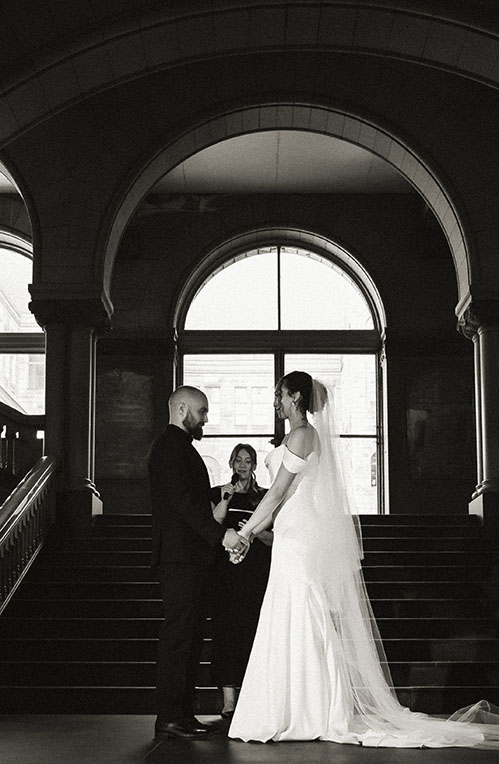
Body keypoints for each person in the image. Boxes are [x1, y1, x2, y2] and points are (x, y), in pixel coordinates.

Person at [228, 371, 499, 748]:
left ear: (294, 397)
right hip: (290, 532)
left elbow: (274, 495)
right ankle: (296, 706)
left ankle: (307, 709)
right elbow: (278, 503)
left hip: (299, 536)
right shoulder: (298, 437)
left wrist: (244, 534)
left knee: (301, 610)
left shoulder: (303, 434)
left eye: (280, 394)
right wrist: (253, 533)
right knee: (291, 611)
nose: (277, 401)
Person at [148, 385, 248, 741]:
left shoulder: (180, 449)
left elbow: (191, 501)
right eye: (201, 411)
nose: (205, 418)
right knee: (179, 637)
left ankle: (182, 713)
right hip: (179, 560)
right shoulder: (169, 449)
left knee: (189, 638)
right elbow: (184, 505)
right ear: (181, 409)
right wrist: (222, 535)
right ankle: (170, 716)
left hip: (190, 559)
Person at [210, 444, 272, 719]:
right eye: (238, 461)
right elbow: (212, 526)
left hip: (256, 573)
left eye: (248, 461)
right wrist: (225, 499)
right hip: (226, 575)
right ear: (231, 463)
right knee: (226, 633)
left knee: (252, 631)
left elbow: (275, 537)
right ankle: (228, 702)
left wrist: (253, 533)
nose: (243, 465)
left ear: (255, 466)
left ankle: (252, 695)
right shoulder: (218, 492)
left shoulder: (265, 497)